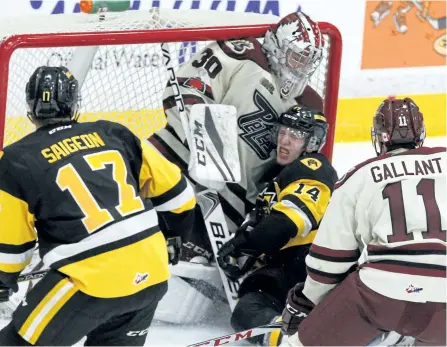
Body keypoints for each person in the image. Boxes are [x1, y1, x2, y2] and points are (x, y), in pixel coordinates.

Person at [0, 66, 196, 346]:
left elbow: (11, 249)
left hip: (88, 281)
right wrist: (173, 238)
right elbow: (181, 196)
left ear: (30, 107)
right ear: (74, 103)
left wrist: (3, 285)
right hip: (152, 273)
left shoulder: (15, 160)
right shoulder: (114, 133)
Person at [151, 11, 325, 263]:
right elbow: (189, 87)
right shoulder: (242, 53)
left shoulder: (308, 105)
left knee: (187, 271)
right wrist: (206, 149)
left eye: (309, 62)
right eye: (297, 57)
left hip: (232, 205)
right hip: (175, 159)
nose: (302, 68)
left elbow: (295, 165)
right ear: (278, 47)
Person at [281, 97, 446, 346]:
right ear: (420, 132)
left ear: (379, 136)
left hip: (382, 295)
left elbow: (328, 262)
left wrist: (308, 305)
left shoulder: (359, 176)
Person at [216, 105, 338, 346]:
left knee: (249, 309)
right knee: (248, 307)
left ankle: (288, 339)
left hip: (309, 265)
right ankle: (289, 336)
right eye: (282, 132)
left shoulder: (312, 168)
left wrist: (244, 246)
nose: (284, 140)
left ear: (312, 142)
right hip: (293, 267)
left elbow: (286, 223)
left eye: (295, 136)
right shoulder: (279, 176)